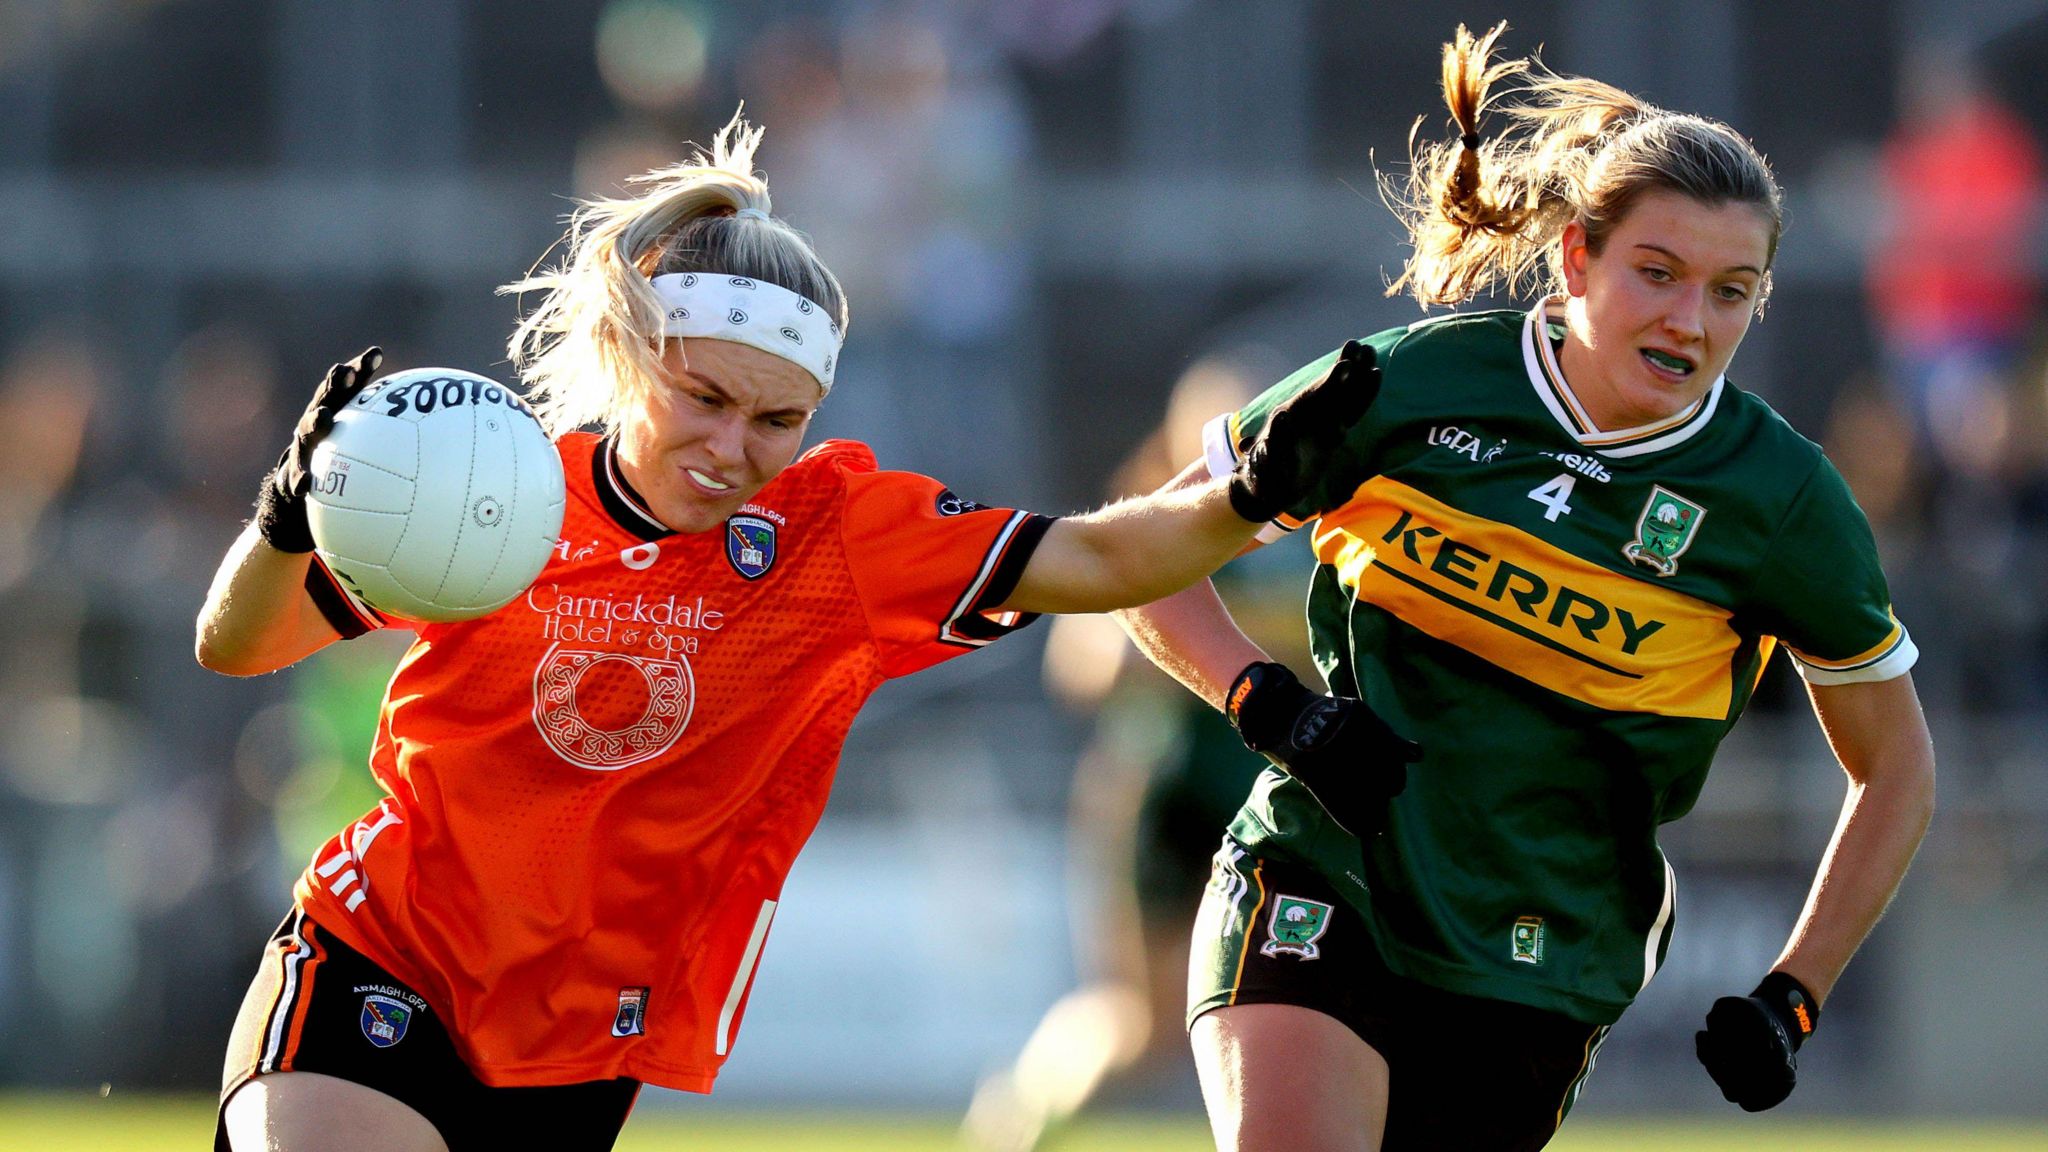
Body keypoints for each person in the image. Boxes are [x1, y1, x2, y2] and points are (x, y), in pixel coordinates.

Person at [194, 115, 1372, 1152]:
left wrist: (1252, 480)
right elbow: (236, 644)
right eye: (702, 398)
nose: (731, 448)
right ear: (629, 355)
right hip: (379, 960)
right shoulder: (501, 493)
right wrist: (282, 523)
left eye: (777, 419)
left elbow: (1111, 558)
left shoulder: (837, 542)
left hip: (578, 1048)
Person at [1116, 24, 1938, 1152]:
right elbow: (1142, 556)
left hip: (1541, 953)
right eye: (1656, 273)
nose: (1689, 322)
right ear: (1573, 261)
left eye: (1730, 291)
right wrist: (1270, 704)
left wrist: (1792, 992)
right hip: (1324, 871)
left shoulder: (1782, 504)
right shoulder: (1412, 383)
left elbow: (1893, 768)